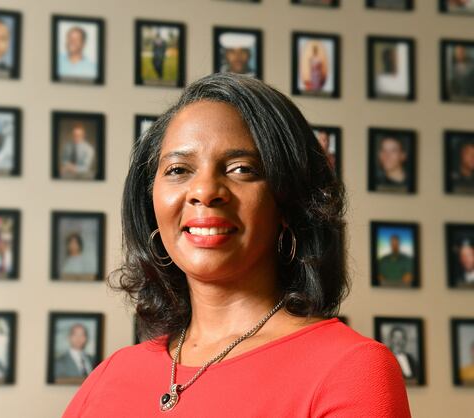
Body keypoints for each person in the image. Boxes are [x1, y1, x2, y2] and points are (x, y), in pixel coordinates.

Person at [62, 73, 411, 417]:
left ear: (289, 202)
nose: (204, 191)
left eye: (241, 169)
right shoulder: (112, 375)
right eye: (178, 170)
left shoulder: (351, 370)